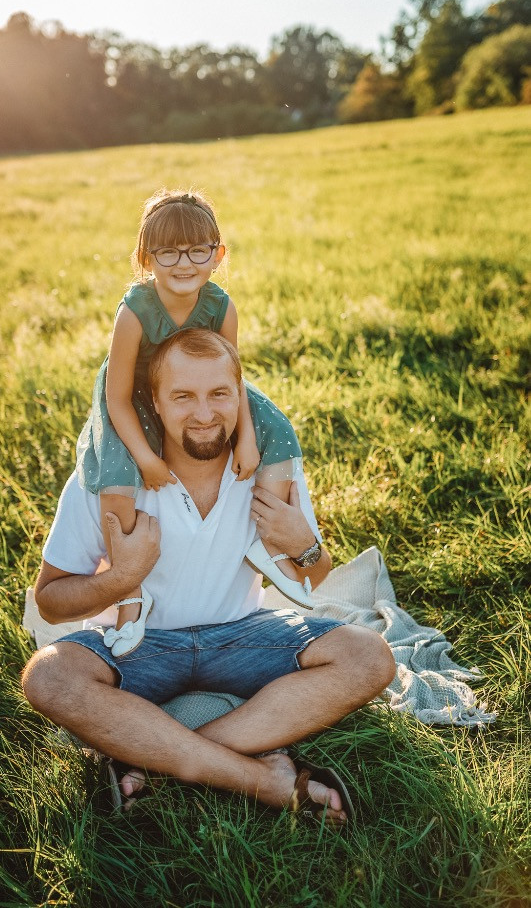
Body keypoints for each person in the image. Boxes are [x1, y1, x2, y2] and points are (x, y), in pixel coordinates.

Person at [22, 330, 396, 820]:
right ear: (155, 402)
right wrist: (121, 578)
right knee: (48, 677)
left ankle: (155, 761)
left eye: (219, 393)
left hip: (244, 637)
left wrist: (303, 543)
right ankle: (262, 779)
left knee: (369, 656)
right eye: (183, 397)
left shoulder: (268, 469)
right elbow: (50, 599)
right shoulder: (109, 477)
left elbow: (313, 577)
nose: (204, 413)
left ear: (240, 396)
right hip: (140, 645)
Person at [75, 189, 316, 658]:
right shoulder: (134, 314)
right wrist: (145, 457)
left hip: (200, 393)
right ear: (146, 258)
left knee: (279, 429)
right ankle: (130, 595)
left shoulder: (221, 307)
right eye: (168, 251)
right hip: (139, 399)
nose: (184, 262)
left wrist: (247, 438)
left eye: (198, 249)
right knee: (116, 473)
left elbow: (233, 377)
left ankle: (274, 547)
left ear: (218, 254)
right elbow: (117, 398)